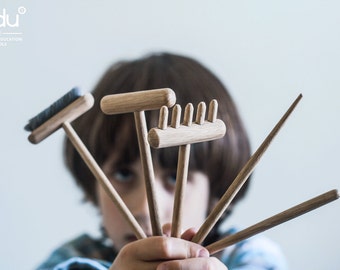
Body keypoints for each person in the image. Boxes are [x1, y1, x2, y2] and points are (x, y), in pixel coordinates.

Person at [37, 52, 287, 269]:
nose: (146, 208)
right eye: (123, 174)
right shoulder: (70, 261)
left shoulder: (252, 258)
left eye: (175, 177)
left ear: (217, 194)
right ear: (93, 185)